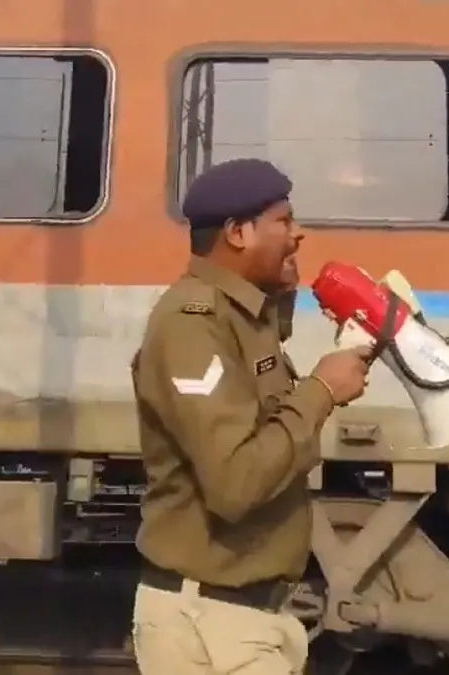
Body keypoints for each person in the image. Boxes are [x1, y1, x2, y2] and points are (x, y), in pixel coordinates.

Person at [130, 158, 373, 674]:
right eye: (283, 222)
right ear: (238, 233)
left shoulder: (242, 315)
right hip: (211, 623)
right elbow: (237, 480)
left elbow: (267, 422)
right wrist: (322, 389)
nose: (297, 234)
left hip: (242, 617)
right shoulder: (191, 325)